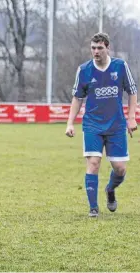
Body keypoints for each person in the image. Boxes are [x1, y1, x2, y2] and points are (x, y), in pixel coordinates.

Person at [65, 32, 137, 217]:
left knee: (120, 168)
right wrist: (70, 123)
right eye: (93, 48)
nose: (96, 51)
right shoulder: (84, 70)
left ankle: (110, 190)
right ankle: (93, 208)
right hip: (92, 125)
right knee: (94, 163)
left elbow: (132, 91)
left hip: (116, 126)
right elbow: (77, 98)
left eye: (100, 48)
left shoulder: (120, 66)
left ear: (107, 48)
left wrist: (131, 118)